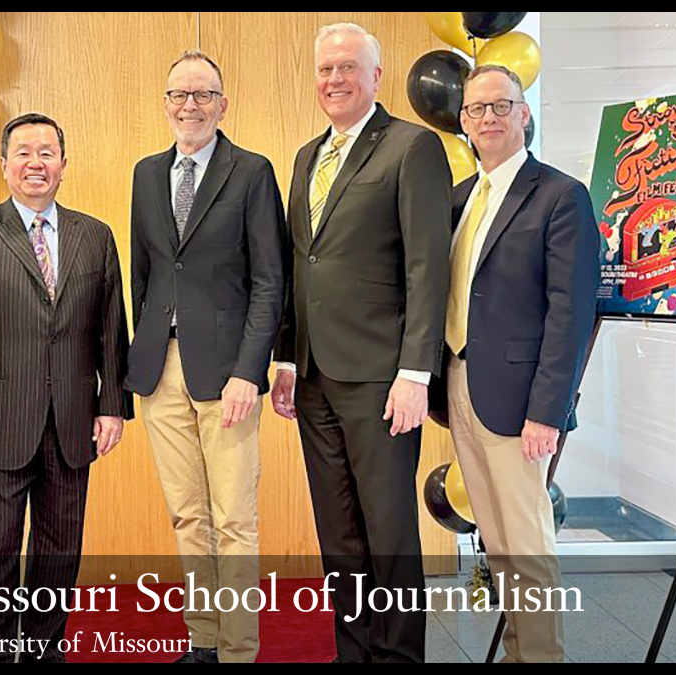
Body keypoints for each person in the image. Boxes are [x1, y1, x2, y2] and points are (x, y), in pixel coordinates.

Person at [271, 22, 452, 664]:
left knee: (389, 530)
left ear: (375, 76)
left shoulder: (412, 147)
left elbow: (429, 268)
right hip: (315, 375)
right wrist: (287, 358)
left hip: (382, 375)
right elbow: (302, 264)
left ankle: (398, 657)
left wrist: (415, 372)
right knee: (339, 534)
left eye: (348, 67)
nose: (334, 79)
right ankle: (353, 653)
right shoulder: (304, 156)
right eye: (324, 69)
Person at [0, 113, 132, 663]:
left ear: (64, 165)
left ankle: (45, 655)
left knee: (59, 553)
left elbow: (110, 329)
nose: (35, 164)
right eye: (23, 153)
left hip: (72, 422)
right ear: (3, 166)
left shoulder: (94, 236)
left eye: (47, 153)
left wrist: (112, 406)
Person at [435, 64, 599, 663]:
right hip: (460, 386)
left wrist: (547, 411)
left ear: (524, 113)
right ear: (463, 124)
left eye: (500, 106)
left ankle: (542, 657)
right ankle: (517, 653)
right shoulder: (457, 201)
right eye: (476, 110)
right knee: (498, 542)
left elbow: (571, 314)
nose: (488, 119)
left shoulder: (559, 196)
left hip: (522, 402)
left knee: (526, 545)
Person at [126, 50, 285, 664]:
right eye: (178, 95)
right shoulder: (145, 173)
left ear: (223, 104)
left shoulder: (250, 172)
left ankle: (240, 650)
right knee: (187, 516)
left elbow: (270, 280)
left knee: (235, 521)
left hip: (227, 374)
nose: (189, 106)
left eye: (202, 95)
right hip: (159, 369)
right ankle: (204, 640)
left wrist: (251, 370)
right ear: (165, 103)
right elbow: (142, 275)